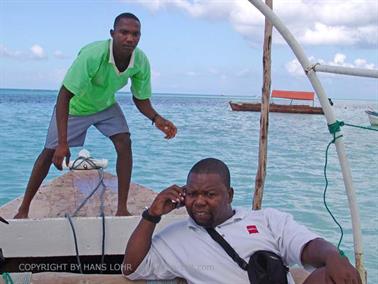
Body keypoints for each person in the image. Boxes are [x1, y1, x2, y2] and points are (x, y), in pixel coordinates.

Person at [14, 13, 177, 218]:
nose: (130, 38)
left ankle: (121, 209)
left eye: (135, 34)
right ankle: (23, 209)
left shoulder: (140, 61)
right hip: (75, 107)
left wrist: (157, 119)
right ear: (112, 34)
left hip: (105, 105)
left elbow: (140, 98)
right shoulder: (93, 55)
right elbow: (63, 97)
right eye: (124, 32)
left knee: (124, 143)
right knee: (49, 152)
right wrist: (63, 143)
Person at [123, 158, 361, 284]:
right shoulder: (177, 237)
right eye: (193, 194)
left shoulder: (266, 220)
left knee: (336, 275)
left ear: (230, 195)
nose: (199, 202)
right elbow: (130, 269)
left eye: (210, 194)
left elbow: (307, 246)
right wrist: (151, 215)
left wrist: (333, 256)